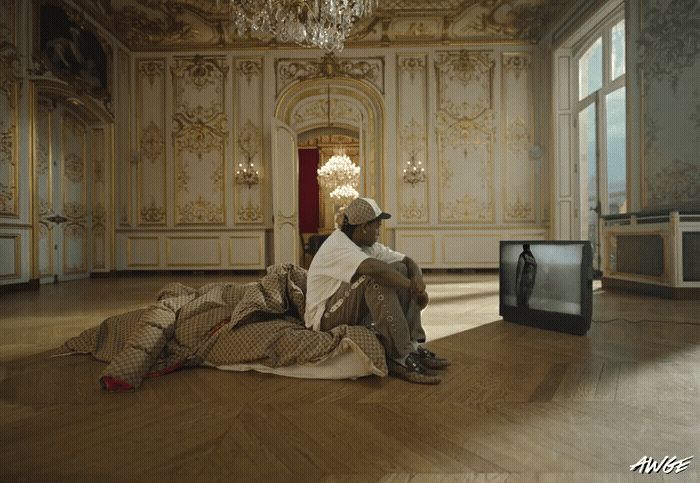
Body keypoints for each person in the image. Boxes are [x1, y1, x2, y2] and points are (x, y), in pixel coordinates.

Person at [304, 197, 449, 384]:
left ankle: (413, 345)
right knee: (375, 277)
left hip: (344, 308)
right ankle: (401, 357)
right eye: (377, 226)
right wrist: (414, 289)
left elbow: (407, 261)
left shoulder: (367, 245)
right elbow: (374, 269)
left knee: (399, 268)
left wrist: (417, 279)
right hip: (324, 318)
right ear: (364, 227)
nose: (379, 231)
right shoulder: (338, 245)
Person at [515, 243, 537, 308]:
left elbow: (518, 274)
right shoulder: (533, 258)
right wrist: (532, 287)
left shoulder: (523, 256)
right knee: (526, 303)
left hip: (523, 283)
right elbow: (534, 275)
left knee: (520, 303)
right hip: (530, 284)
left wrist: (516, 290)